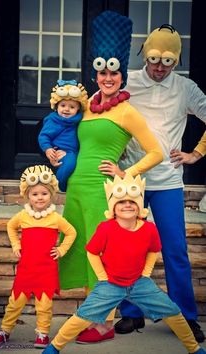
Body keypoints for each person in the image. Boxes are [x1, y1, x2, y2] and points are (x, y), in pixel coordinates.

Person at [57, 10, 163, 344]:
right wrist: (56, 152)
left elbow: (155, 152)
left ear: (121, 75)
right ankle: (92, 314)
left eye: (113, 71)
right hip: (75, 188)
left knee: (102, 255)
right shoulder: (86, 106)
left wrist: (124, 172)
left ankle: (103, 322)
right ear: (96, 71)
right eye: (101, 70)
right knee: (83, 250)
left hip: (102, 191)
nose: (107, 77)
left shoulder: (127, 111)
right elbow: (65, 129)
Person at [100, 24, 206, 343]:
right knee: (126, 248)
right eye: (155, 60)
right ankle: (131, 314)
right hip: (130, 182)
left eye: (168, 62)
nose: (160, 67)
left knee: (175, 250)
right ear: (145, 55)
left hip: (169, 182)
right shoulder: (127, 82)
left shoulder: (186, 89)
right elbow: (99, 115)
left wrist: (197, 153)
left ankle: (186, 316)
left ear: (176, 61)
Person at [42, 173, 206, 354]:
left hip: (139, 283)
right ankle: (54, 347)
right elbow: (92, 252)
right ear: (113, 207)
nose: (127, 204)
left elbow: (153, 250)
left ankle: (194, 348)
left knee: (173, 311)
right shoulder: (106, 228)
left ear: (139, 206)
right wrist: (102, 277)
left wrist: (146, 273)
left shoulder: (149, 229)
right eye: (121, 202)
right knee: (83, 315)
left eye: (132, 202)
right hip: (111, 283)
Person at [0, 165, 77, 348]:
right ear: (27, 196)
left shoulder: (55, 218)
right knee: (15, 302)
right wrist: (16, 244)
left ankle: (42, 334)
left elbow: (71, 232)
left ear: (51, 195)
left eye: (44, 193)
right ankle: (5, 330)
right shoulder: (22, 216)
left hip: (46, 269)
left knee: (44, 305)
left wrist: (61, 249)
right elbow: (10, 227)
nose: (39, 197)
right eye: (35, 194)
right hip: (27, 268)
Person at [38, 80, 88, 192]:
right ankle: (59, 185)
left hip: (77, 151)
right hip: (61, 151)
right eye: (63, 105)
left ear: (78, 109)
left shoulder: (80, 119)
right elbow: (44, 136)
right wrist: (48, 149)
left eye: (72, 107)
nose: (66, 109)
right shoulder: (54, 120)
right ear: (56, 106)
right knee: (69, 164)